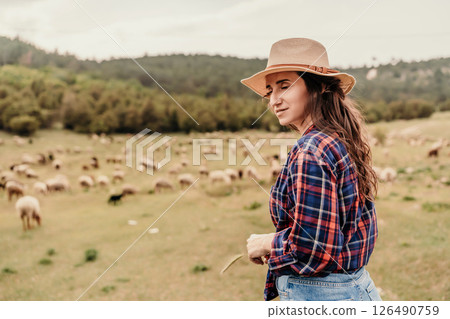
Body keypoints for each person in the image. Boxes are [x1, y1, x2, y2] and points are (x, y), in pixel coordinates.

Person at [241, 38, 382, 301]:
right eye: (270, 90)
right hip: (352, 287)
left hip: (324, 296)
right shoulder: (336, 139)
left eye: (285, 86)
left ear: (316, 89)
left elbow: (315, 249)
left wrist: (267, 243)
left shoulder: (312, 150)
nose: (274, 100)